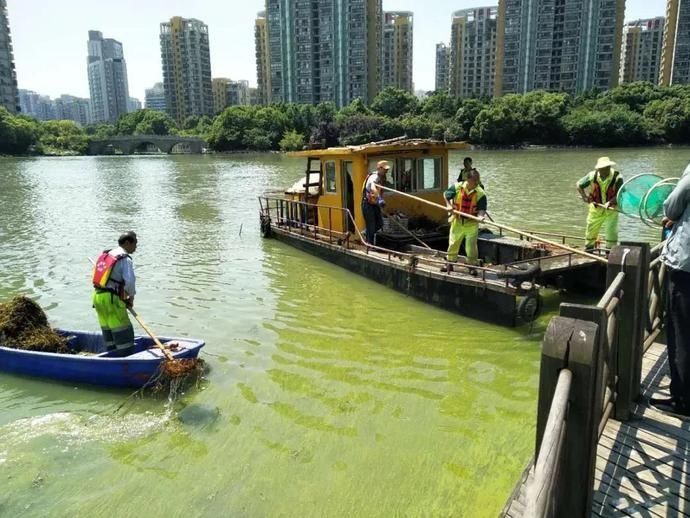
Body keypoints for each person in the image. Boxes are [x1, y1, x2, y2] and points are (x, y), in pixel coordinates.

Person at [651, 163, 690, 416]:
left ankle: (682, 400)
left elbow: (672, 205)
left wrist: (675, 216)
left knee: (682, 332)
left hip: (687, 265)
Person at [92, 231, 138, 357]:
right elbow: (130, 281)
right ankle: (126, 360)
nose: (136, 247)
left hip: (98, 297)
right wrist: (131, 298)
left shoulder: (107, 255)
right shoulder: (124, 258)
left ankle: (111, 357)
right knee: (123, 331)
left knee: (109, 330)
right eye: (135, 243)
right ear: (128, 243)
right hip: (112, 299)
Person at [442, 170, 487, 273]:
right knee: (453, 243)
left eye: (476, 182)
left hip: (471, 223)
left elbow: (482, 208)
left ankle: (472, 266)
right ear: (468, 180)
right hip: (457, 221)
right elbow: (446, 194)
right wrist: (448, 205)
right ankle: (450, 263)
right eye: (472, 182)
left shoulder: (480, 193)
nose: (474, 184)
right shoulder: (457, 187)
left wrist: (481, 216)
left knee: (471, 246)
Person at [576, 156, 623, 251]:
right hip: (596, 207)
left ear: (609, 167)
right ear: (599, 169)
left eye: (606, 167)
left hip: (611, 209)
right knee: (591, 227)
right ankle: (589, 248)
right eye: (602, 168)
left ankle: (610, 251)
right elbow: (579, 185)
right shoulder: (592, 175)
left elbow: (620, 193)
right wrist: (585, 197)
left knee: (611, 231)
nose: (604, 170)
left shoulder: (617, 177)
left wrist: (610, 202)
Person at [361, 160, 389, 245]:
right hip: (367, 205)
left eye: (387, 170)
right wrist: (380, 199)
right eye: (385, 169)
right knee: (371, 226)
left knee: (380, 224)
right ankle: (369, 245)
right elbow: (373, 188)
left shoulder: (381, 178)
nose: (386, 171)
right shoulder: (374, 177)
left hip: (374, 204)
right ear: (379, 168)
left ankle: (366, 232)